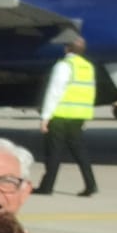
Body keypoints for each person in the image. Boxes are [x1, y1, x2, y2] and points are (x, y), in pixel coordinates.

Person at [38, 33, 99, 197]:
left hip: (60, 115)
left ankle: (47, 186)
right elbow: (90, 93)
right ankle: (90, 184)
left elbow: (54, 92)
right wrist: (85, 116)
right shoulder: (88, 67)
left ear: (67, 48)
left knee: (54, 152)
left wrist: (45, 117)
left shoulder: (64, 65)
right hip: (78, 115)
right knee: (80, 152)